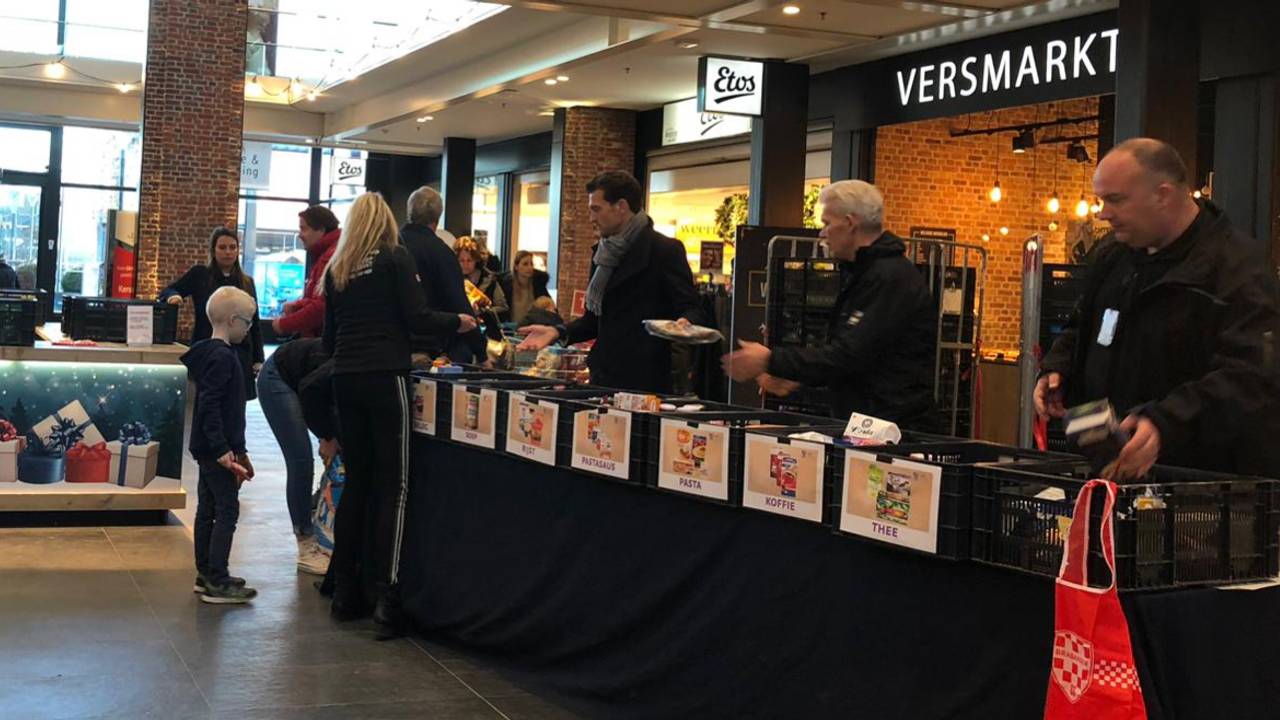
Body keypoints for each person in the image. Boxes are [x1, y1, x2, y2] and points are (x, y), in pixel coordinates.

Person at [1036, 138, 1280, 480]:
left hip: (1201, 490)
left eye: (1115, 200)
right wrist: (1058, 369)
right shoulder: (1113, 258)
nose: (1103, 213)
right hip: (1111, 475)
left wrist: (1166, 422)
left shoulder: (1236, 269)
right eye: (1100, 200)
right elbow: (1082, 327)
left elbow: (1251, 377)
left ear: (1162, 195)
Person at [322, 192, 477, 638]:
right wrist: (458, 322)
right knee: (397, 487)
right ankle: (389, 598)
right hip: (385, 376)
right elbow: (419, 317)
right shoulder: (394, 258)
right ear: (386, 221)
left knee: (358, 484)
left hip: (345, 379)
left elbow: (329, 341)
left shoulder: (339, 270)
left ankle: (346, 590)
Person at [722, 180, 937, 429]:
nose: (821, 233)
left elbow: (849, 356)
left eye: (826, 223)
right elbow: (860, 365)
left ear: (850, 223)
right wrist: (797, 382)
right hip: (869, 425)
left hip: (893, 434)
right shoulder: (865, 274)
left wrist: (770, 360)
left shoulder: (889, 278)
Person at [518, 171, 704, 393]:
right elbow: (593, 321)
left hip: (646, 381)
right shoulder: (602, 255)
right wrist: (557, 332)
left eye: (596, 209)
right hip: (604, 376)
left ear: (621, 206)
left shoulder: (664, 250)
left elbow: (692, 307)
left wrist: (683, 322)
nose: (591, 218)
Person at [180, 286, 258, 605]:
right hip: (217, 450)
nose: (250, 328)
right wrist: (225, 449)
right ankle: (217, 578)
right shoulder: (223, 358)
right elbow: (212, 407)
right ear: (231, 320)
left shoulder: (208, 354)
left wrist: (240, 450)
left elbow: (217, 407)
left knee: (208, 508)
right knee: (227, 509)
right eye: (248, 322)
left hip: (213, 448)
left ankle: (207, 572)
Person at [256, 337, 335, 576]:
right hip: (279, 377)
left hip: (301, 374)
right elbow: (310, 391)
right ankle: (305, 543)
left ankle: (320, 528)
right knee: (300, 461)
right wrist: (326, 436)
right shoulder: (343, 362)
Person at [162, 227, 265, 400]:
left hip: (240, 352)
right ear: (213, 250)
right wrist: (174, 296)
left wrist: (258, 358)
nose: (228, 252)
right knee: (207, 400)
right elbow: (170, 289)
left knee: (235, 407)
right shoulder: (200, 275)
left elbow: (254, 323)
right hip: (207, 348)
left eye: (233, 247)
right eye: (222, 247)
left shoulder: (247, 282)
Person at [399, 187, 486, 363]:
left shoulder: (391, 245)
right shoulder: (441, 253)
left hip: (392, 344)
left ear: (409, 211)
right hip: (428, 348)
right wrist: (481, 351)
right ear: (437, 218)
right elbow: (458, 303)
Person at [272, 206, 341, 338]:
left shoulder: (329, 259)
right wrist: (298, 305)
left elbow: (321, 307)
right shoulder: (328, 254)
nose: (299, 235)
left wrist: (284, 324)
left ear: (321, 230)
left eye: (304, 228)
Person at [456, 236, 508, 318]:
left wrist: (482, 311)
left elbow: (503, 308)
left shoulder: (490, 280)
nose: (465, 264)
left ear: (476, 260)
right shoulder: (454, 279)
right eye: (461, 260)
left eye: (469, 260)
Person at [498, 250, 552, 326]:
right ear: (516, 267)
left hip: (533, 328)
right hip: (510, 328)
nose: (529, 267)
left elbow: (549, 305)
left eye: (531, 264)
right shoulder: (506, 286)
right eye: (525, 264)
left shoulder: (538, 285)